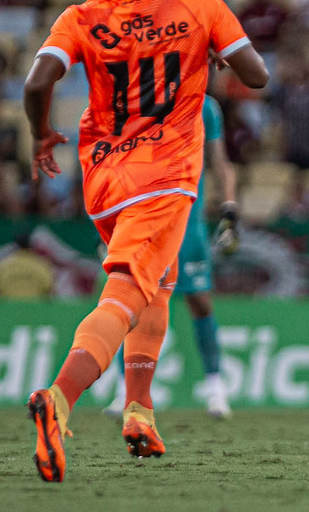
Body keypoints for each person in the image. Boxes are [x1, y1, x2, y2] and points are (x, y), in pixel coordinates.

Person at [23, 0, 268, 483]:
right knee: (131, 291)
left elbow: (37, 81)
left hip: (104, 181)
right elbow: (256, 75)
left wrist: (40, 133)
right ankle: (59, 397)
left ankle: (139, 410)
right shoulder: (198, 2)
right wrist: (210, 56)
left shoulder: (81, 15)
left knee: (156, 284)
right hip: (163, 178)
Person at [104, 87, 241, 419]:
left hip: (188, 223)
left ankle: (215, 388)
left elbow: (220, 162)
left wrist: (230, 209)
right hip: (146, 223)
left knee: (200, 301)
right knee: (136, 302)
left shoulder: (206, 107)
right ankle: (126, 389)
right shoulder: (142, 104)